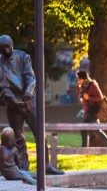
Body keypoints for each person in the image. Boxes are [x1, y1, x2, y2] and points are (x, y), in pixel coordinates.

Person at [0, 35, 64, 175]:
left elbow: (30, 76)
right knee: (18, 138)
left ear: (12, 44)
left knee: (40, 134)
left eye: (8, 46)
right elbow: (3, 88)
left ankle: (45, 165)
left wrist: (28, 91)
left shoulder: (23, 57)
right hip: (13, 105)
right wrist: (14, 101)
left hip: (30, 101)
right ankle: (23, 167)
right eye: (2, 48)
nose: (5, 50)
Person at [76, 71, 107, 147]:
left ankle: (84, 149)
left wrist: (89, 97)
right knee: (96, 130)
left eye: (78, 79)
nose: (78, 81)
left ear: (83, 79)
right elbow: (80, 96)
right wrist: (78, 87)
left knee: (83, 128)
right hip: (88, 111)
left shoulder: (92, 84)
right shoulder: (82, 86)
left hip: (93, 111)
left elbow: (100, 97)